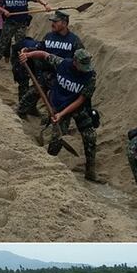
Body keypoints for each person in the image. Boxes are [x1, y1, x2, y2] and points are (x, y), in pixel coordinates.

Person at [18, 48, 100, 180]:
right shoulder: (62, 64)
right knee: (56, 140)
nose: (85, 69)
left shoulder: (91, 76)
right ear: (74, 61)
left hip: (78, 107)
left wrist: (62, 114)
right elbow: (44, 55)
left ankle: (90, 171)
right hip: (59, 105)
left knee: (90, 136)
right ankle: (48, 165)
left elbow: (81, 99)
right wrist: (27, 55)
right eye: (82, 66)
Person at [16, 10, 85, 114]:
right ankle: (25, 111)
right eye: (52, 21)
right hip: (46, 73)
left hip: (63, 79)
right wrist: (27, 50)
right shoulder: (49, 36)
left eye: (56, 21)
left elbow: (81, 60)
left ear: (64, 23)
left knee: (56, 104)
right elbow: (40, 48)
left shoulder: (74, 41)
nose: (52, 24)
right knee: (32, 94)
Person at [0, 0, 50, 73]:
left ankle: (18, 64)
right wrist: (5, 11)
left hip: (21, 24)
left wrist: (45, 4)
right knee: (2, 43)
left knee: (20, 44)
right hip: (9, 23)